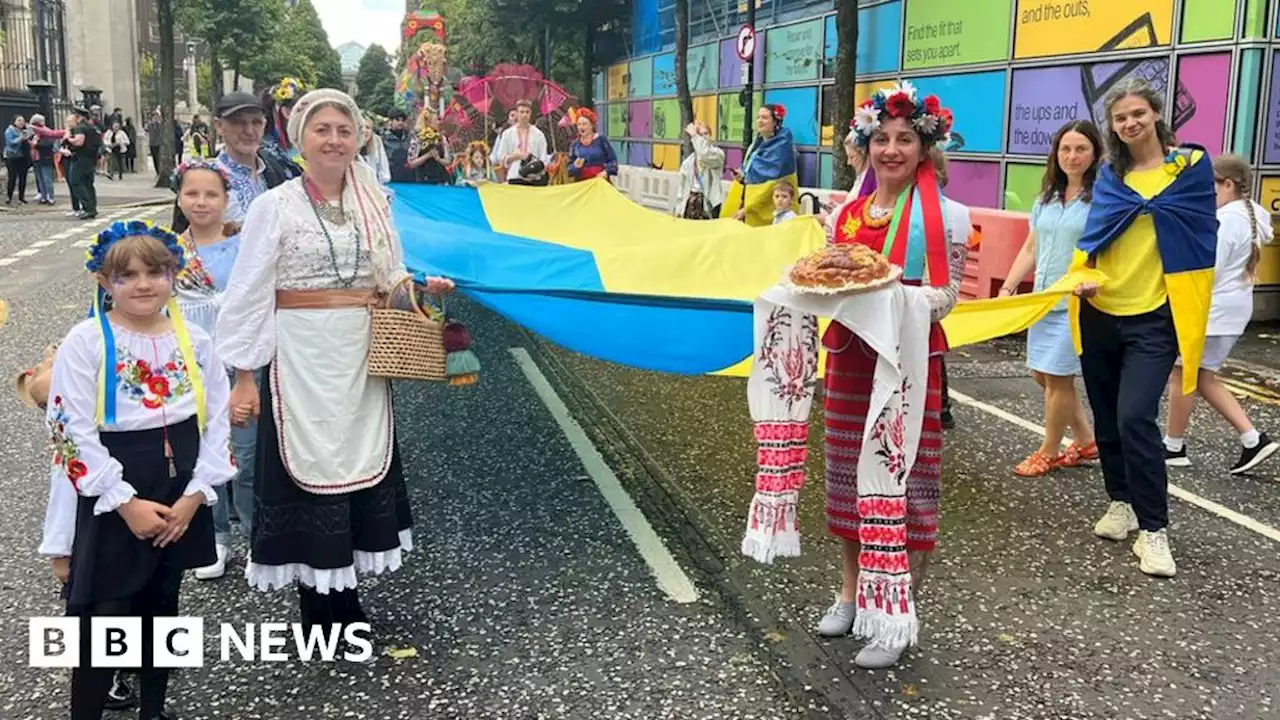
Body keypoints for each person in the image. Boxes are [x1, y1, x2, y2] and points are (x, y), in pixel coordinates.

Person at [216, 89, 453, 631]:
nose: (334, 140)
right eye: (322, 130)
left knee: (355, 467)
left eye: (343, 131)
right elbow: (250, 293)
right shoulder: (274, 207)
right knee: (307, 467)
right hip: (298, 354)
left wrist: (421, 288)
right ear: (300, 138)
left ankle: (344, 602)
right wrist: (245, 377)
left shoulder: (374, 201)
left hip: (359, 353)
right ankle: (316, 607)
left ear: (358, 139)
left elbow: (387, 278)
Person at [48, 220, 234, 720]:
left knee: (162, 605)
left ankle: (154, 707)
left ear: (173, 275)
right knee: (103, 612)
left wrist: (196, 495)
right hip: (117, 484)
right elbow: (69, 428)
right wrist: (124, 501)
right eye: (126, 275)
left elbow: (217, 416)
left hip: (179, 485)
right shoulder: (86, 341)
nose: (143, 284)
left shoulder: (194, 338)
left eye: (155, 271)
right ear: (105, 283)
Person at [815, 83, 969, 670]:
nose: (892, 149)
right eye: (881, 138)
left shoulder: (949, 216)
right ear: (866, 146)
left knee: (905, 486)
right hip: (851, 359)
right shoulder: (844, 217)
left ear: (926, 147)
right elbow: (827, 283)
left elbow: (949, 294)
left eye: (905, 138)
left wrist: (887, 302)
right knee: (847, 479)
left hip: (908, 362)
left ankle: (896, 611)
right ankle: (851, 594)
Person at [1072, 79, 1217, 579]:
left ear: (1155, 114)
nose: (1130, 123)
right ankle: (1121, 502)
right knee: (1108, 415)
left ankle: (1154, 530)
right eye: (1120, 118)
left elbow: (1199, 230)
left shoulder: (1190, 168)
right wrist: (1082, 277)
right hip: (1101, 310)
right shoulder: (1112, 176)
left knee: (1136, 416)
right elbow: (1094, 237)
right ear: (1112, 127)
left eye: (1138, 113)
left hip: (1155, 315)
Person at [17, 348, 140, 713]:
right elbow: (61, 506)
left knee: (122, 610)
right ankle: (110, 681)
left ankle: (125, 666)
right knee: (96, 618)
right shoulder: (71, 455)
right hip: (84, 545)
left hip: (112, 533)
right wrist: (59, 553)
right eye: (53, 363)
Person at [1163, 154, 1279, 474]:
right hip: (1230, 309)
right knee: (1200, 377)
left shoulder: (1227, 220)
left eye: (1209, 187)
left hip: (1213, 310)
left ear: (1227, 184)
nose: (1205, 195)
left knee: (1183, 375)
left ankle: (1174, 447)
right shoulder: (1251, 216)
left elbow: (1207, 270)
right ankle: (1253, 439)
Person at [999, 120, 1103, 476]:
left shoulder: (1101, 200)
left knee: (1058, 379)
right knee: (1040, 375)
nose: (1072, 157)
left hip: (1076, 302)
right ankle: (1087, 439)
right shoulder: (1046, 198)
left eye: (1081, 149)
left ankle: (1049, 450)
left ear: (1095, 154)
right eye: (1066, 149)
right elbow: (1031, 247)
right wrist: (1008, 288)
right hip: (1043, 299)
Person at [171, 159, 246, 579]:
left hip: (242, 361)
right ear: (180, 198)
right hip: (193, 366)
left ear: (226, 199)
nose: (201, 202)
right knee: (207, 452)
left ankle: (256, 536)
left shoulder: (245, 246)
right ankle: (216, 539)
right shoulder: (167, 250)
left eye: (211, 194)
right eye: (192, 193)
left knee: (249, 455)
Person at [723, 104, 798, 227]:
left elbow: (771, 184)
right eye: (758, 117)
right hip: (750, 203)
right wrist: (742, 177)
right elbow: (755, 173)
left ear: (775, 121)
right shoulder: (759, 142)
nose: (759, 121)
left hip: (768, 209)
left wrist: (746, 209)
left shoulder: (781, 147)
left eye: (764, 117)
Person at [675, 121, 726, 219]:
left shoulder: (718, 154)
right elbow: (682, 188)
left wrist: (694, 135)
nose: (703, 138)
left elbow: (704, 154)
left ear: (711, 136)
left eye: (706, 134)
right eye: (700, 135)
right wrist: (679, 209)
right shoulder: (688, 162)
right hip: (691, 202)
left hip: (709, 203)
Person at [492, 99, 549, 184]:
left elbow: (544, 158)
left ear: (530, 114)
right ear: (517, 114)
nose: (524, 115)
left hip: (535, 178)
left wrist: (537, 172)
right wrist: (515, 156)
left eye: (527, 112)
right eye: (522, 112)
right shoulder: (508, 133)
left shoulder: (538, 134)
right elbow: (500, 157)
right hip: (514, 176)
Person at [66, 107, 101, 219]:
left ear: (78, 117)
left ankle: (88, 207)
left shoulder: (80, 127)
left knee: (75, 181)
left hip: (81, 158)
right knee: (88, 183)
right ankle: (92, 208)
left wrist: (69, 139)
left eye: (75, 116)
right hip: (91, 159)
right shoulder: (91, 127)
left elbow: (79, 142)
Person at [566, 107, 617, 182]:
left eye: (584, 124)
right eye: (579, 124)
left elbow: (612, 160)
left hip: (600, 182)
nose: (581, 127)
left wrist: (606, 172)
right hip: (582, 183)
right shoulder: (575, 144)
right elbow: (569, 169)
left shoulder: (601, 140)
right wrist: (575, 166)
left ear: (591, 125)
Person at [408, 108, 452, 185]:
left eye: (439, 119)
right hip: (424, 180)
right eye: (436, 120)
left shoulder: (442, 138)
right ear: (428, 122)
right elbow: (411, 163)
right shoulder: (417, 138)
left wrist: (438, 159)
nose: (439, 122)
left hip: (441, 179)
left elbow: (448, 161)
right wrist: (427, 155)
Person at [28, 114, 59, 205]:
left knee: (46, 178)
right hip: (36, 158)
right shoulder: (34, 134)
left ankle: (50, 197)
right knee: (40, 179)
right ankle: (44, 196)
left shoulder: (46, 132)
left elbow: (48, 145)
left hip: (45, 157)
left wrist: (36, 144)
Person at [381, 108, 414, 183]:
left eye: (402, 120)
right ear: (391, 121)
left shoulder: (409, 136)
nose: (400, 123)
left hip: (409, 175)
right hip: (391, 174)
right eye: (397, 120)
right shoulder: (383, 138)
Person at [5, 114, 32, 204]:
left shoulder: (25, 130)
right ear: (14, 122)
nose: (21, 122)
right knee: (12, 177)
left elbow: (31, 134)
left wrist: (28, 129)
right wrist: (21, 138)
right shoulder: (10, 131)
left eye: (23, 120)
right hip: (12, 156)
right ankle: (9, 196)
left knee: (23, 177)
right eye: (19, 120)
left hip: (23, 156)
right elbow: (11, 142)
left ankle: (21, 197)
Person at [358, 115, 391, 185]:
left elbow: (384, 169)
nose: (364, 130)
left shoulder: (377, 142)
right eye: (361, 127)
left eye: (368, 127)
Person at [146, 111, 163, 176]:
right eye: (154, 117)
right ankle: (157, 171)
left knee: (159, 157)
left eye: (157, 117)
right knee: (154, 158)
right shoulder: (149, 125)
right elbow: (147, 131)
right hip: (152, 143)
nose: (155, 118)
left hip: (158, 143)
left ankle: (160, 170)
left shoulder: (160, 125)